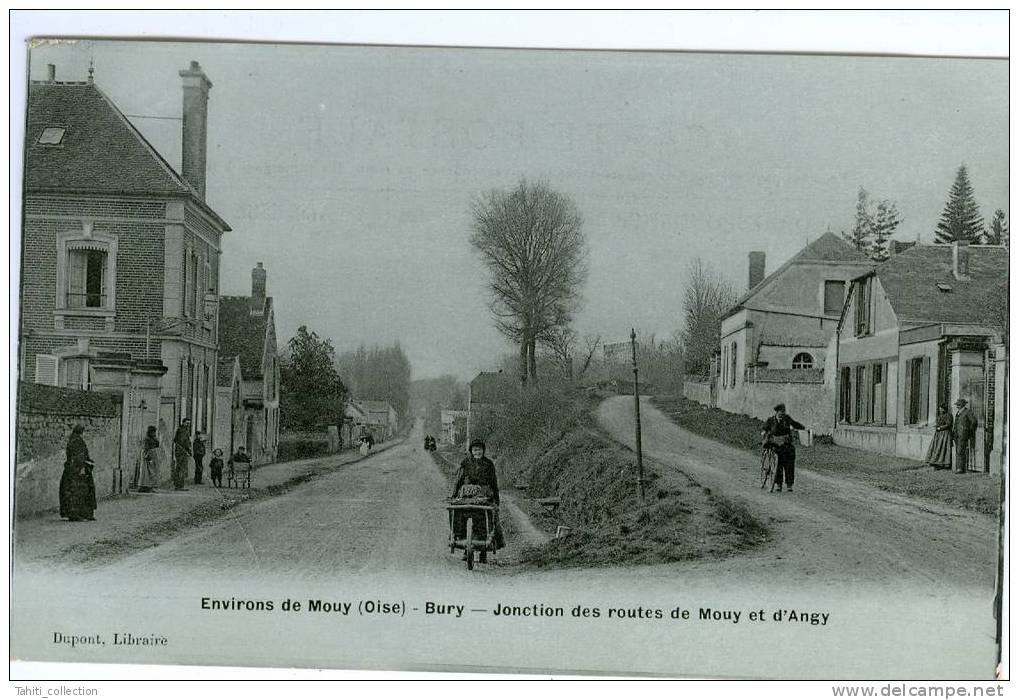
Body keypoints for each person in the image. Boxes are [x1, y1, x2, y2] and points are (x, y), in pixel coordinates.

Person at [451, 439, 504, 559]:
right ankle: (465, 547)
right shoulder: (465, 462)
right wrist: (454, 495)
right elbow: (459, 480)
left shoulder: (489, 464)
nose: (477, 452)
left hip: (485, 493)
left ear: (483, 451)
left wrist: (496, 498)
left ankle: (484, 550)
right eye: (475, 450)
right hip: (467, 494)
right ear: (471, 451)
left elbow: (493, 482)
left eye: (479, 449)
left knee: (486, 518)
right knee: (460, 514)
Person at [761, 403, 805, 493]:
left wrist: (802, 427)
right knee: (778, 463)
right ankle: (778, 484)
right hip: (775, 445)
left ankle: (789, 484)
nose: (782, 414)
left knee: (790, 461)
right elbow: (765, 428)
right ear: (777, 412)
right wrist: (764, 432)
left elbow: (795, 424)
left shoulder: (787, 419)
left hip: (786, 444)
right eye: (780, 412)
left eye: (783, 412)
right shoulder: (771, 420)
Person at [59, 424, 97, 521]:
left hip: (75, 469)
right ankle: (77, 515)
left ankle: (84, 514)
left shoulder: (74, 440)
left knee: (83, 490)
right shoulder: (77, 441)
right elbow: (78, 457)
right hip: (77, 471)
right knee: (79, 491)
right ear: (81, 432)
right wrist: (82, 467)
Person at [924, 404, 953, 471]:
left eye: (941, 409)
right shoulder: (940, 415)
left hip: (945, 434)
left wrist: (940, 428)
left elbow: (948, 424)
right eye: (940, 409)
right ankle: (935, 462)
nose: (940, 410)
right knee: (936, 447)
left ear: (944, 409)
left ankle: (943, 463)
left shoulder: (949, 415)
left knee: (943, 448)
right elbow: (938, 422)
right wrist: (935, 425)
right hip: (938, 434)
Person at [952, 398, 978, 474]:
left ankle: (960, 468)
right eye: (957, 405)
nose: (957, 406)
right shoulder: (958, 412)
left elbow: (974, 421)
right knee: (958, 450)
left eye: (959, 404)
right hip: (957, 434)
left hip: (963, 434)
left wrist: (968, 430)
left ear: (963, 405)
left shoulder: (967, 412)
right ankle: (960, 467)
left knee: (960, 450)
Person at [138, 425, 160, 492]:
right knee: (146, 472)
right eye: (153, 432)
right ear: (150, 432)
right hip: (147, 456)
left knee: (152, 472)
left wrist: (156, 439)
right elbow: (145, 449)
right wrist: (148, 457)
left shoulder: (153, 438)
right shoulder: (146, 439)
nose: (154, 433)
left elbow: (157, 445)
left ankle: (149, 486)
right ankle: (145, 487)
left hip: (153, 455)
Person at [172, 418, 192, 491]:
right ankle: (179, 486)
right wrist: (188, 450)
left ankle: (179, 485)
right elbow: (182, 442)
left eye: (189, 424)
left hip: (182, 451)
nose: (188, 425)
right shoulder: (181, 430)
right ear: (183, 423)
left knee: (180, 468)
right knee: (181, 469)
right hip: (181, 452)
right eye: (187, 423)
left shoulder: (185, 430)